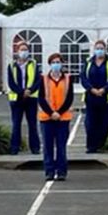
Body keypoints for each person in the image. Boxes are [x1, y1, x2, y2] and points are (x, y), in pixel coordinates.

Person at [38, 53, 73, 181]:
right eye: (53, 62)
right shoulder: (43, 79)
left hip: (63, 118)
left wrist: (59, 112)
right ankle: (49, 171)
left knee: (61, 146)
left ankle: (62, 171)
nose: (56, 64)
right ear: (50, 64)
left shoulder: (68, 79)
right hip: (46, 118)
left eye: (58, 62)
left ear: (62, 63)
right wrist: (51, 113)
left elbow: (69, 98)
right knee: (47, 147)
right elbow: (41, 98)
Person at [80, 39, 108, 153]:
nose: (99, 51)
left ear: (105, 49)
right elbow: (83, 77)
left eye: (101, 48)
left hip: (107, 98)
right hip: (91, 97)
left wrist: (104, 89)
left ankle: (100, 145)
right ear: (94, 50)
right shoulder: (88, 62)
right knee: (90, 123)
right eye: (97, 48)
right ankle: (91, 146)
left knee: (105, 124)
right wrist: (91, 89)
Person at [6, 42, 41, 155]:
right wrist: (21, 92)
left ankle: (35, 148)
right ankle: (14, 148)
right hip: (16, 99)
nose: (24, 52)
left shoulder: (34, 64)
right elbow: (11, 83)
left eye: (26, 49)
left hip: (31, 98)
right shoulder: (11, 66)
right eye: (21, 49)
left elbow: (37, 80)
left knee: (32, 124)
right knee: (16, 124)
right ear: (17, 51)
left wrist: (29, 91)